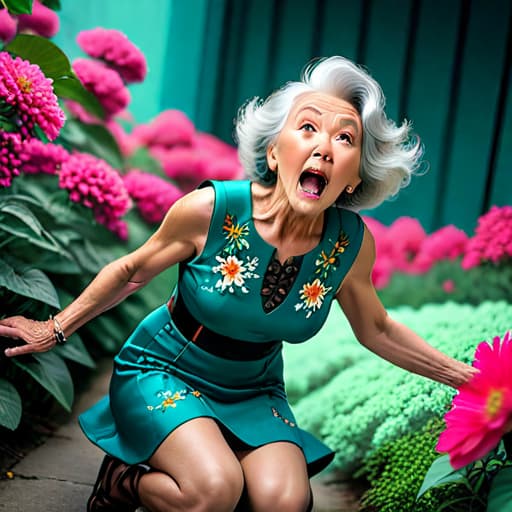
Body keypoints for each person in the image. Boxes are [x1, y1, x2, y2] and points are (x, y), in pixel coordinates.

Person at [0, 56, 476, 512]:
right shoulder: (212, 211)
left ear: (353, 177)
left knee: (284, 502)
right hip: (166, 370)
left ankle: (211, 464)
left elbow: (378, 329)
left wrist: (467, 380)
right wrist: (53, 328)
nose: (324, 147)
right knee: (212, 493)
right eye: (307, 127)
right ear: (274, 149)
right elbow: (131, 270)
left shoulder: (349, 246)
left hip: (254, 389)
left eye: (345, 138)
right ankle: (124, 482)